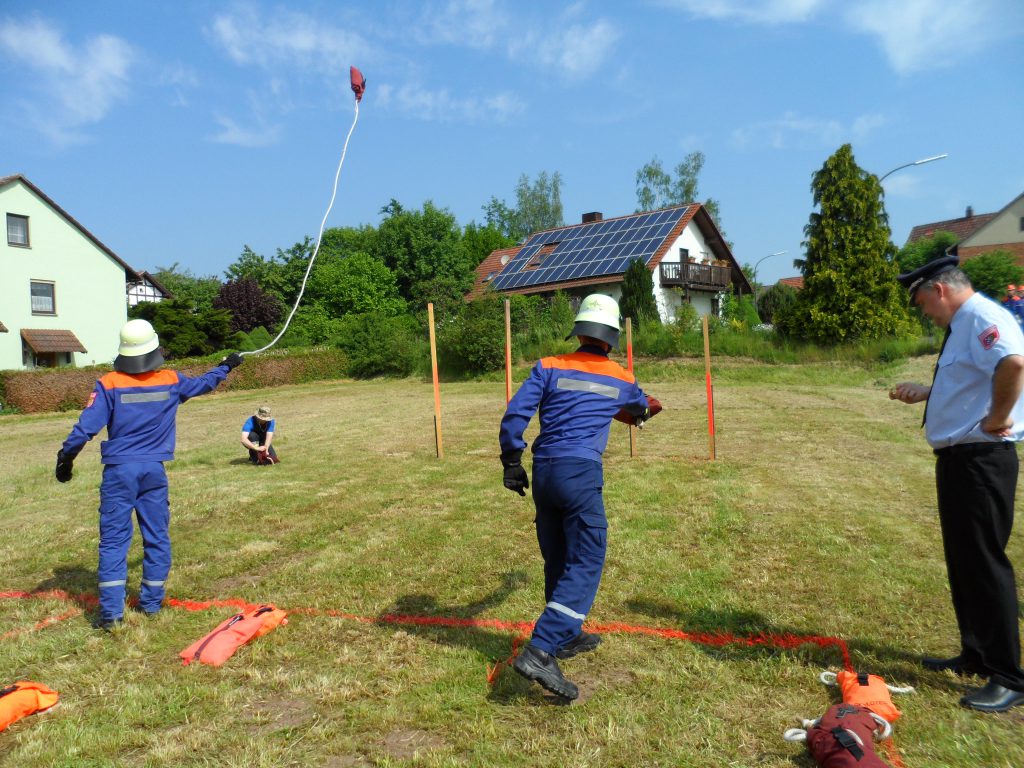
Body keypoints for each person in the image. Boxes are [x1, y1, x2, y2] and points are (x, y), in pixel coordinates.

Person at [499, 294, 661, 700]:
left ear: (579, 332)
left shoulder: (548, 366)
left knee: (558, 556)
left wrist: (511, 461)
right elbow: (641, 408)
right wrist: (645, 408)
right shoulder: (621, 377)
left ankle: (567, 636)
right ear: (611, 338)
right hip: (580, 473)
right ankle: (540, 648)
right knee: (587, 557)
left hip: (545, 472)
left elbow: (515, 414)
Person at [890, 252, 1024, 712]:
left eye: (922, 303)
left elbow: (1013, 363)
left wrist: (999, 418)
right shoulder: (962, 325)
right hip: (958, 460)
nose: (925, 312)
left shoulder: (983, 316)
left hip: (982, 460)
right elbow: (973, 378)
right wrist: (928, 392)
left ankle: (1008, 675)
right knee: (964, 562)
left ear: (939, 290)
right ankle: (976, 653)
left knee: (985, 564)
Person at [55, 319, 243, 630]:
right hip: (154, 472)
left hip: (119, 472)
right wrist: (226, 366)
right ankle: (151, 604)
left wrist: (66, 457)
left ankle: (112, 615)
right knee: (157, 536)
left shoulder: (109, 383)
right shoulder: (170, 379)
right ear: (154, 348)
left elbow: (86, 427)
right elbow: (203, 383)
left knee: (114, 542)